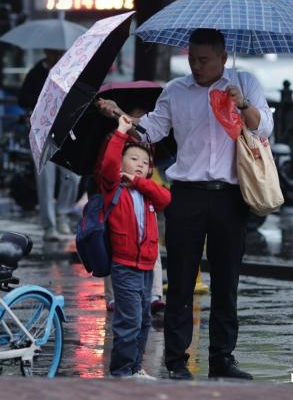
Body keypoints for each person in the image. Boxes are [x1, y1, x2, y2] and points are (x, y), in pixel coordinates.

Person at [97, 28, 274, 381]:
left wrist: (241, 103)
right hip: (186, 194)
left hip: (230, 194)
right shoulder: (176, 91)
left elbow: (264, 128)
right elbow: (151, 131)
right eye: (192, 58)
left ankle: (222, 357)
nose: (196, 65)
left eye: (204, 60)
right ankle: (177, 361)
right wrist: (121, 117)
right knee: (179, 281)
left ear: (223, 58)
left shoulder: (245, 81)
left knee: (227, 281)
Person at [94, 114, 171, 378]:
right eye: (133, 159)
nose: (140, 165)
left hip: (146, 265)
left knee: (144, 320)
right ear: (121, 163)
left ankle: (135, 367)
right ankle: (121, 371)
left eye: (145, 162)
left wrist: (139, 181)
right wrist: (121, 133)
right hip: (125, 266)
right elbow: (108, 164)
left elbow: (166, 197)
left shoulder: (145, 190)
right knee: (129, 321)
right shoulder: (113, 186)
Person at [18, 49, 80, 242]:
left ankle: (63, 213)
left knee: (73, 175)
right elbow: (23, 99)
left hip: (65, 130)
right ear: (46, 52)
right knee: (45, 179)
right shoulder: (36, 73)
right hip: (42, 131)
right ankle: (49, 225)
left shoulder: (70, 71)